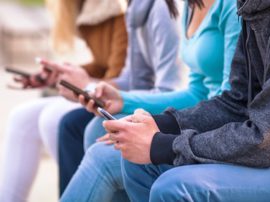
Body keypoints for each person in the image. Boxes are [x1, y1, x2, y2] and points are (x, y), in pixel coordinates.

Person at [103, 0, 270, 201]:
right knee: (138, 164)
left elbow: (267, 141)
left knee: (175, 186)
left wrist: (164, 145)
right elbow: (237, 103)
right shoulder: (253, 6)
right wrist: (162, 124)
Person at [60, 0, 241, 201]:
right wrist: (123, 100)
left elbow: (231, 103)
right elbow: (196, 92)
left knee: (102, 157)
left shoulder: (232, 6)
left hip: (222, 127)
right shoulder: (190, 4)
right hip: (200, 113)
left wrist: (156, 125)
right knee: (99, 128)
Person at [0, 0, 128, 201]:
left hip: (125, 93)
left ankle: (84, 192)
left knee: (53, 118)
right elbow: (103, 64)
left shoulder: (118, 8)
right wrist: (60, 76)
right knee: (21, 117)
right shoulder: (85, 7)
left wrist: (82, 83)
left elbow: (122, 74)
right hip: (106, 86)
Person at [57, 0, 185, 195]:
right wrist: (93, 89)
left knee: (92, 129)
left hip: (179, 108)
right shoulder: (136, 8)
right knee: (81, 124)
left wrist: (96, 87)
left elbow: (170, 86)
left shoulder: (162, 8)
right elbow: (134, 78)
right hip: (152, 98)